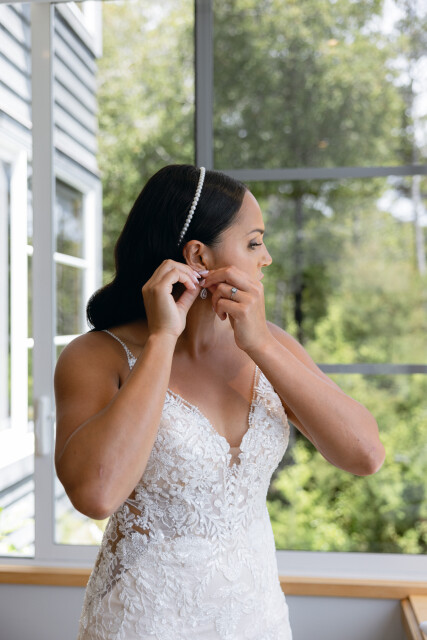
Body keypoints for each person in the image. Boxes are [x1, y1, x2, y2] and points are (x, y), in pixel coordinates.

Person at [54, 164, 385, 640]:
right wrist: (163, 338)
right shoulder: (96, 355)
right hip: (144, 625)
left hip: (259, 621)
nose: (266, 258)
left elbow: (365, 455)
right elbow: (97, 496)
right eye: (253, 243)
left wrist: (262, 344)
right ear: (198, 256)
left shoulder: (270, 345)